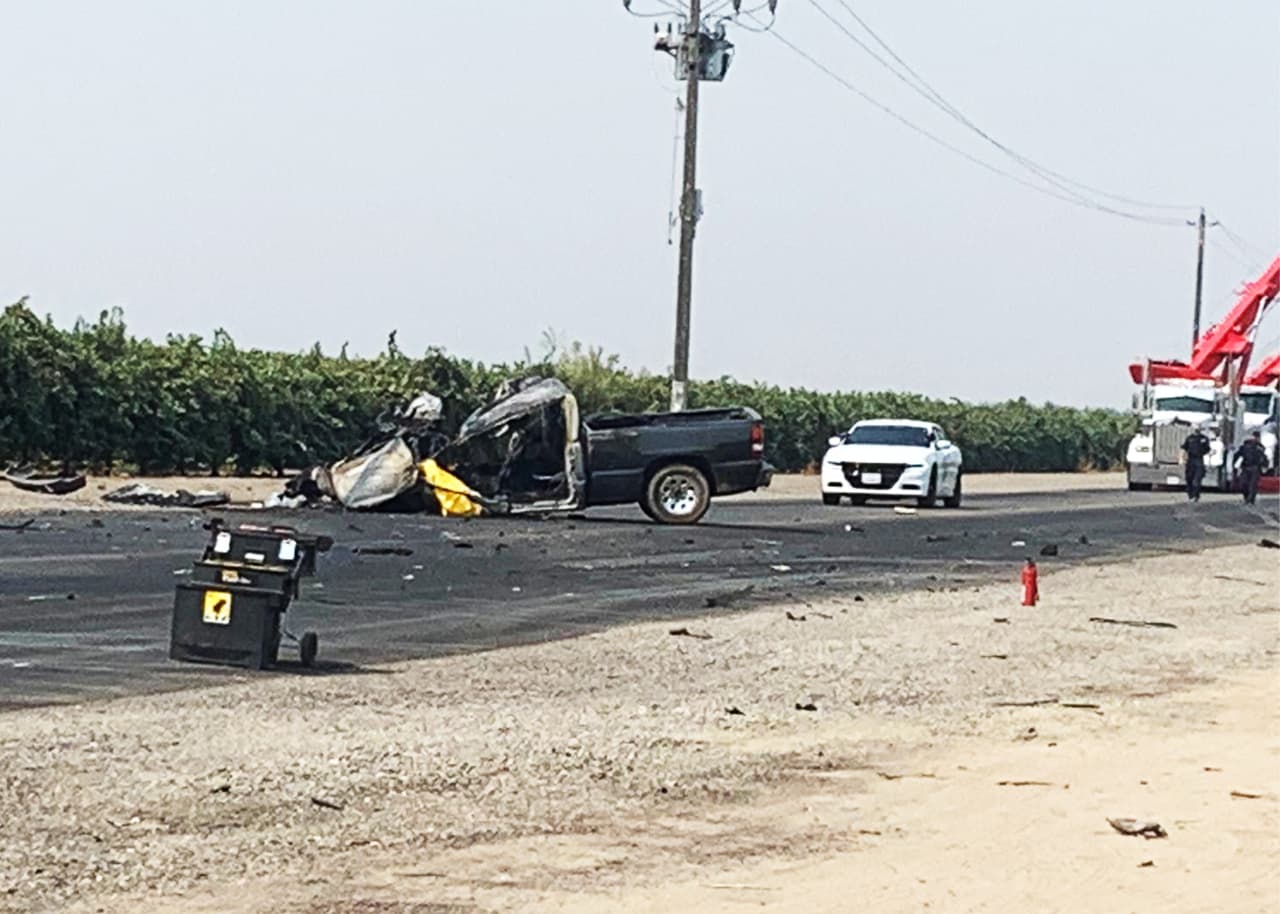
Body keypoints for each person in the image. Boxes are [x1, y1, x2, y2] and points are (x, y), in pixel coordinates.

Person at [1233, 431, 1270, 506]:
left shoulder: (1260, 447)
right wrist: (1235, 465)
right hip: (1246, 467)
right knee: (1244, 484)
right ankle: (1247, 498)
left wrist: (1265, 465)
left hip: (1255, 468)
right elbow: (1237, 455)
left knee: (1252, 485)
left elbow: (1264, 457)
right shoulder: (1245, 446)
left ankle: (1250, 500)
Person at [1180, 427, 1211, 502]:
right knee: (1189, 478)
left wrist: (1210, 456)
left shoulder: (1204, 438)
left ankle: (1195, 495)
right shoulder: (1189, 438)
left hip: (1199, 460)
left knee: (1197, 479)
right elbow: (1184, 448)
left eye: (1198, 427)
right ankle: (1190, 495)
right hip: (1190, 460)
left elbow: (1208, 449)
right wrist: (1181, 458)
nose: (1197, 429)